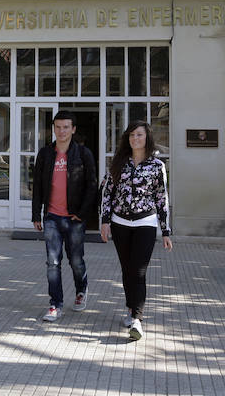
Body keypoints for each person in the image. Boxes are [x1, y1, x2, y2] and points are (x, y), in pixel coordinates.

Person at [99, 120, 173, 342]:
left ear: (147, 138)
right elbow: (107, 193)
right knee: (127, 269)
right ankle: (131, 308)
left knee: (139, 271)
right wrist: (105, 221)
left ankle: (137, 320)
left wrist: (166, 230)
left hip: (145, 223)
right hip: (120, 223)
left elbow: (161, 198)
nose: (135, 138)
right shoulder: (118, 162)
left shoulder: (157, 166)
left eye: (139, 135)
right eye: (131, 135)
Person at [31, 110, 98, 322]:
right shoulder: (45, 153)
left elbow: (92, 186)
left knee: (76, 260)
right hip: (52, 216)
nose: (62, 131)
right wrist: (36, 214)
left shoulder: (83, 154)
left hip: (74, 218)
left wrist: (83, 214)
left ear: (73, 129)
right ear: (53, 129)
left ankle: (81, 289)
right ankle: (55, 304)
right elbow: (38, 186)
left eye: (66, 127)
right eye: (58, 127)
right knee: (53, 262)